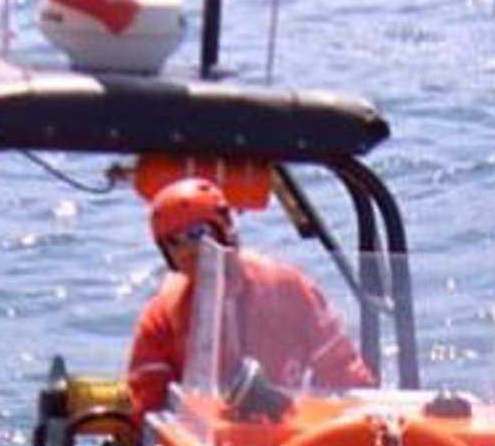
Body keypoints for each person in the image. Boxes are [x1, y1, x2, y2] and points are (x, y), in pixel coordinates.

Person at [126, 177, 373, 418]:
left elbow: (343, 372)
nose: (187, 250)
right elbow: (148, 407)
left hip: (293, 433)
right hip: (207, 441)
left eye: (196, 233)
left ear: (224, 227)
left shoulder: (289, 288)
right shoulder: (160, 318)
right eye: (173, 242)